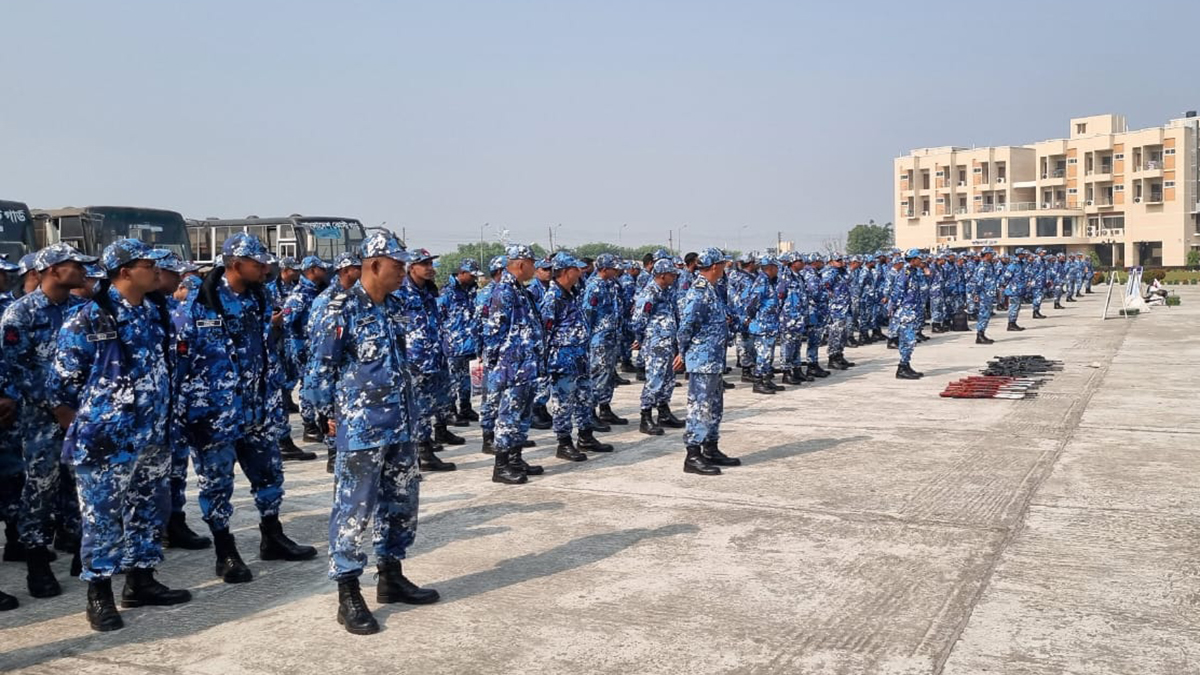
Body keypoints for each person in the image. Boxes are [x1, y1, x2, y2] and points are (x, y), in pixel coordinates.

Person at [52, 239, 192, 631]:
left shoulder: (154, 311)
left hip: (153, 434)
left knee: (148, 509)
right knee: (102, 518)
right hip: (108, 440)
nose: (157, 271)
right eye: (148, 265)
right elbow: (62, 384)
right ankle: (99, 594)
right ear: (125, 271)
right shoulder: (90, 318)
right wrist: (88, 425)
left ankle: (141, 580)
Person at [308, 233, 438, 636]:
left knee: (401, 503)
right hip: (361, 427)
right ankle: (348, 594)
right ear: (374, 264)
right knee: (353, 510)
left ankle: (390, 575)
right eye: (397, 265)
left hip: (400, 422)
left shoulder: (395, 307)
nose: (403, 271)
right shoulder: (340, 310)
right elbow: (319, 370)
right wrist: (324, 418)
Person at [174, 233, 316, 585]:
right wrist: (190, 414)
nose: (266, 270)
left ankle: (272, 535)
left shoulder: (260, 297)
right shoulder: (199, 303)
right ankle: (225, 551)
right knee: (216, 484)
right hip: (216, 415)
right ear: (236, 265)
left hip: (258, 409)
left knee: (269, 476)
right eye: (258, 264)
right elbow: (180, 364)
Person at [1, 243, 95, 597]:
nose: (83, 270)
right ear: (54, 270)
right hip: (40, 418)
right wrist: (57, 407)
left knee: (80, 484)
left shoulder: (81, 310)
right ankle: (37, 560)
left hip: (80, 413)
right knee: (41, 487)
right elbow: (17, 368)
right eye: (75, 265)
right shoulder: (21, 313)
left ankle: (82, 552)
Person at [155, 253, 212, 550]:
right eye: (173, 273)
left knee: (176, 465)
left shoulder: (172, 310)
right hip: (146, 409)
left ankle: (173, 521)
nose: (180, 279)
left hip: (175, 402)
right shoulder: (136, 311)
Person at [482, 245, 544, 484]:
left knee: (522, 416)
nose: (534, 268)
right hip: (511, 366)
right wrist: (496, 366)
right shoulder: (504, 291)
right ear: (520, 264)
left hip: (526, 365)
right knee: (508, 416)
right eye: (532, 263)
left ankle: (516, 459)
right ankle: (501, 466)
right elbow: (494, 332)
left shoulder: (520, 290)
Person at [674, 248, 740, 475]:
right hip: (702, 359)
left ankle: (710, 448)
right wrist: (682, 353)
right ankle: (693, 455)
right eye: (722, 264)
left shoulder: (712, 289)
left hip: (713, 358)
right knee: (700, 406)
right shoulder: (699, 292)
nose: (725, 268)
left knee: (714, 406)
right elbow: (686, 327)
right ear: (714, 266)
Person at [395, 248, 460, 472]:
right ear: (411, 267)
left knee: (430, 406)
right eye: (425, 264)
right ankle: (419, 455)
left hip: (433, 358)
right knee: (416, 408)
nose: (430, 268)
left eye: (431, 264)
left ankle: (424, 447)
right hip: (414, 360)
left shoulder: (428, 291)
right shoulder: (401, 292)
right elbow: (396, 324)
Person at [541, 252, 610, 460]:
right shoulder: (553, 297)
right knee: (563, 403)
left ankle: (586, 436)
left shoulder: (574, 293)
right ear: (564, 271)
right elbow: (545, 332)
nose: (580, 272)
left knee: (584, 398)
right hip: (562, 361)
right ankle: (564, 443)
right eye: (575, 269)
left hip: (580, 357)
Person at [303, 251, 362, 473]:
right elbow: (319, 344)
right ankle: (334, 455)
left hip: (353, 371)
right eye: (357, 268)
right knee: (333, 414)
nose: (362, 271)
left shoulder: (360, 297)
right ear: (345, 271)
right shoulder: (327, 300)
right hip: (332, 366)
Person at [281, 256, 330, 457]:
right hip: (301, 347)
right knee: (306, 385)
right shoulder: (299, 295)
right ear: (311, 270)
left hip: (315, 347)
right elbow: (285, 322)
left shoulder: (317, 292)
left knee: (315, 383)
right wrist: (294, 346)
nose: (325, 272)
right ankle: (309, 425)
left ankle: (317, 422)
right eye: (321, 268)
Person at [631, 258, 684, 434]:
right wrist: (643, 340)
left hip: (668, 342)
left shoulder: (667, 292)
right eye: (671, 274)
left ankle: (663, 411)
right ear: (662, 275)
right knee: (654, 379)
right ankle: (645, 416)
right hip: (655, 343)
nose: (674, 277)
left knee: (668, 379)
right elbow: (638, 321)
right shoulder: (650, 293)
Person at [437, 258, 482, 427]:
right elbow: (438, 317)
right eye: (472, 275)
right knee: (452, 380)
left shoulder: (471, 290)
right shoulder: (447, 292)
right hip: (453, 345)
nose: (474, 278)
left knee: (465, 379)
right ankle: (450, 410)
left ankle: (465, 407)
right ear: (462, 273)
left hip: (469, 343)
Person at [583, 254, 626, 426]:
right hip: (598, 339)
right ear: (604, 269)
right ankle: (590, 412)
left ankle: (605, 408)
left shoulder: (611, 284)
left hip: (611, 337)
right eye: (613, 268)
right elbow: (587, 314)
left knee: (608, 375)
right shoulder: (593, 287)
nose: (616, 271)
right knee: (598, 375)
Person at [743, 255, 784, 394]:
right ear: (770, 268)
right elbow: (752, 302)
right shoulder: (762, 281)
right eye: (776, 267)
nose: (778, 270)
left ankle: (766, 379)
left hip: (770, 325)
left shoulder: (770, 281)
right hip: (762, 324)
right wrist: (750, 317)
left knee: (768, 354)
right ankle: (758, 381)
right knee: (763, 354)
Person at [890, 248, 925, 380]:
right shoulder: (906, 272)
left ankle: (905, 365)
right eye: (919, 259)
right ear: (913, 259)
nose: (921, 261)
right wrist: (896, 308)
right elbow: (898, 291)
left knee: (910, 340)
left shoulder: (914, 271)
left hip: (912, 310)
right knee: (908, 340)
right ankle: (902, 368)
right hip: (905, 311)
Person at [973, 247, 998, 344]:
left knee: (986, 315)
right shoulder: (983, 266)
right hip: (983, 294)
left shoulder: (989, 265)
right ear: (987, 254)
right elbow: (978, 282)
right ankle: (979, 335)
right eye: (992, 254)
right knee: (983, 314)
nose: (993, 256)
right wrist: (976, 294)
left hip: (989, 294)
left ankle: (982, 334)